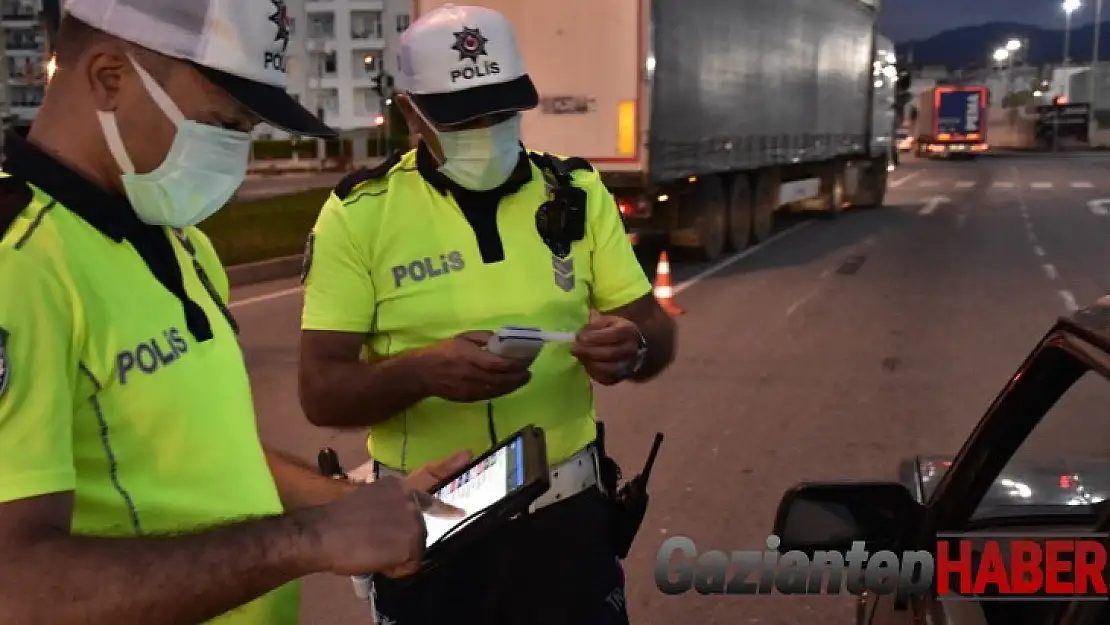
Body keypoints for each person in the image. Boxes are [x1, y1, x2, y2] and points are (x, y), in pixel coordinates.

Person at [0, 2, 469, 623]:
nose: (236, 152)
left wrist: (348, 504)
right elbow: (19, 585)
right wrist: (308, 541)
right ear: (110, 77)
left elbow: (206, 454)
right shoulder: (20, 267)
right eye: (223, 123)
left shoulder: (179, 238)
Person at [298, 4, 678, 624]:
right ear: (410, 112)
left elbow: (657, 333)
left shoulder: (576, 195)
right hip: (427, 527)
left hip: (566, 521)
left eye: (501, 111)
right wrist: (420, 374)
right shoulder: (359, 215)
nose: (487, 130)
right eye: (462, 117)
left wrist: (634, 347)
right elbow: (320, 392)